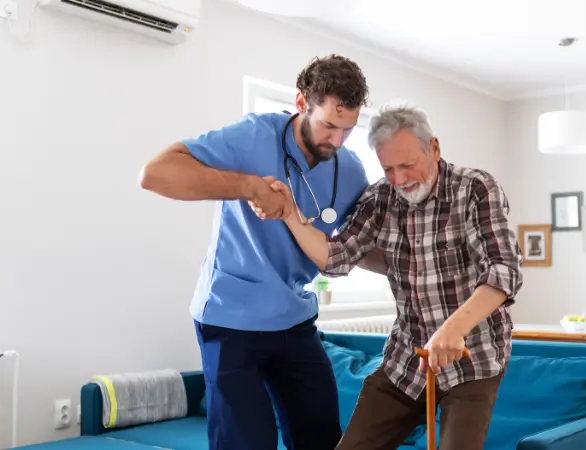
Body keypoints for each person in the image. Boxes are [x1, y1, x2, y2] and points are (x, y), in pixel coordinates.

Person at [139, 54, 385, 450]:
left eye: (347, 129)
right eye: (328, 126)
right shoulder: (253, 137)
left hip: (294, 319)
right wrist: (249, 187)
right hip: (230, 317)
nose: (336, 141)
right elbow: (156, 174)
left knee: (321, 436)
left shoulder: (350, 168)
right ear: (302, 102)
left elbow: (357, 248)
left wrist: (417, 270)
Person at [252, 103, 523, 450]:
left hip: (473, 356)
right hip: (406, 359)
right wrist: (290, 213)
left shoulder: (476, 188)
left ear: (434, 148)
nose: (400, 179)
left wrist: (453, 329)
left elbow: (504, 268)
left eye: (408, 165)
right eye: (389, 169)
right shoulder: (381, 197)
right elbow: (335, 257)